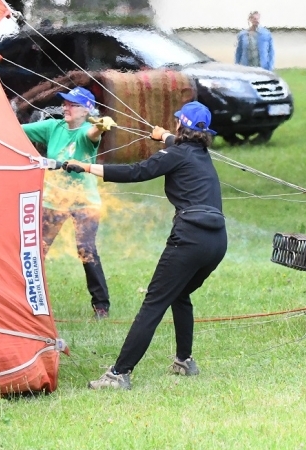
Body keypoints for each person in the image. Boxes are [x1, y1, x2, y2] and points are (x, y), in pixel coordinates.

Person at [64, 102, 228, 391]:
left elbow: (136, 172)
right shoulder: (200, 153)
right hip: (217, 242)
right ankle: (184, 361)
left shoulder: (176, 154)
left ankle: (119, 374)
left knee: (154, 304)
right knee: (180, 293)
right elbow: (178, 144)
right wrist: (162, 136)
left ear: (181, 125)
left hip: (190, 239)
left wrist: (87, 166)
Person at [21, 86, 116, 320]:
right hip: (53, 201)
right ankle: (23, 300)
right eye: (65, 103)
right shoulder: (53, 127)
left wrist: (101, 125)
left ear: (86, 110)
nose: (66, 107)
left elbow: (92, 134)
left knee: (86, 250)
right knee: (36, 251)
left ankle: (101, 306)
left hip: (85, 203)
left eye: (72, 105)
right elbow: (17, 131)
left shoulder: (85, 132)